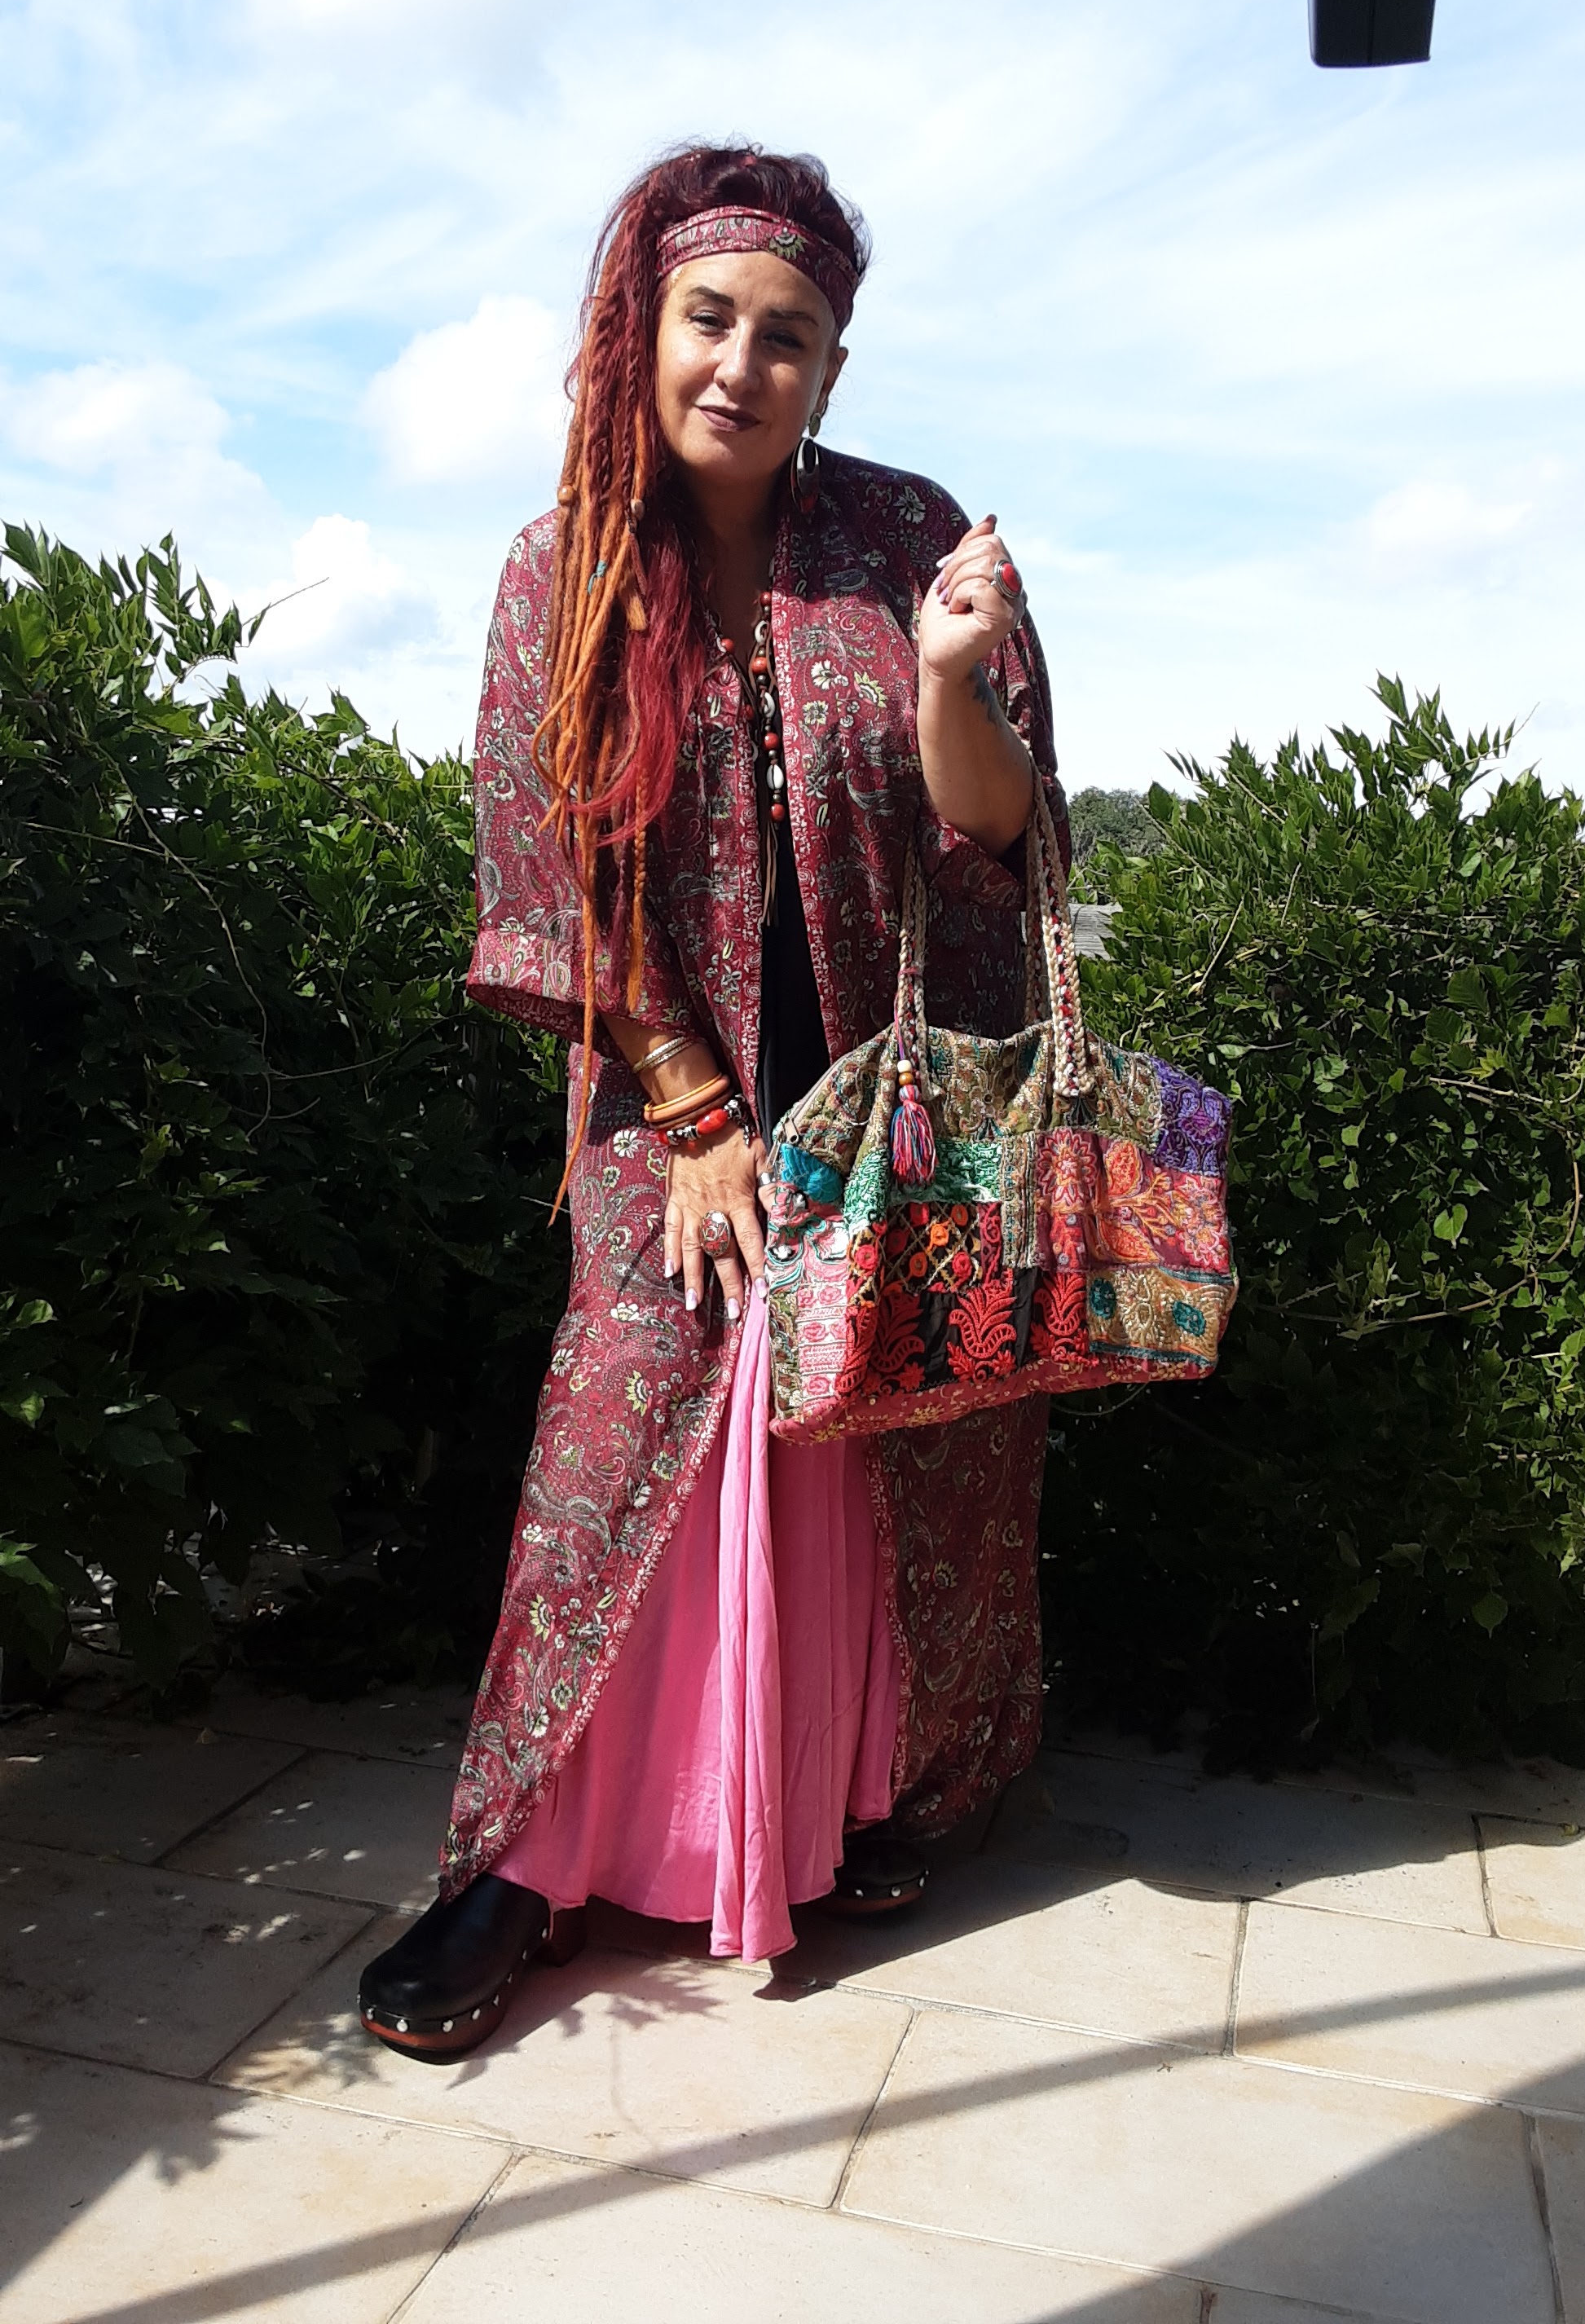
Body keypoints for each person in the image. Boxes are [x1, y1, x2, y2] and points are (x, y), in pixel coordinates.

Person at [359, 143, 1067, 2058]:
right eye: (711, 319)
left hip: (898, 1105)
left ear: (832, 366)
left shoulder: (911, 534)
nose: (743, 365)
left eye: (790, 335)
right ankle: (522, 1866)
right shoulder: (565, 567)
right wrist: (690, 1118)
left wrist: (948, 676)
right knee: (620, 1445)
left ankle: (883, 1796)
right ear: (642, 329)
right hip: (666, 1102)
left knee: (898, 1445)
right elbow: (544, 874)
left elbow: (1000, 835)